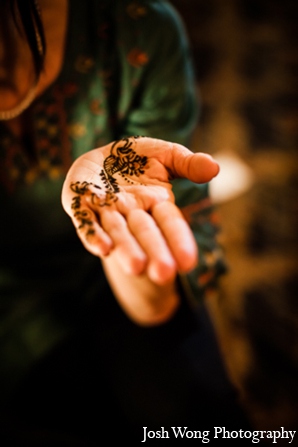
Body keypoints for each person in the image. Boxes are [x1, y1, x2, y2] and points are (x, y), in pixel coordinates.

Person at [0, 0, 251, 444]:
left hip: (112, 288)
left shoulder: (138, 30)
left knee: (204, 423)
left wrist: (119, 237)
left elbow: (153, 304)